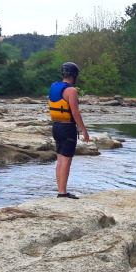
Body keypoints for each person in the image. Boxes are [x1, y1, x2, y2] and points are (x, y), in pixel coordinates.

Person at [48, 62, 90, 199]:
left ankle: (60, 190)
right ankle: (62, 192)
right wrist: (84, 130)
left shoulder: (54, 86)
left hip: (56, 127)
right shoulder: (71, 91)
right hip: (67, 128)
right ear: (74, 75)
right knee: (66, 161)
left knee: (60, 159)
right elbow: (75, 112)